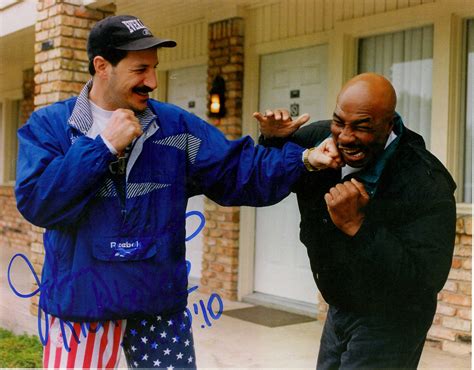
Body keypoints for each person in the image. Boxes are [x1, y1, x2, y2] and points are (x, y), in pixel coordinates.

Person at [15, 15, 339, 369]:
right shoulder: (50, 126)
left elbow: (237, 171)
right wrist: (103, 146)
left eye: (154, 68)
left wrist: (305, 158)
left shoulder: (176, 127)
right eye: (141, 69)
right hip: (81, 304)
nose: (152, 81)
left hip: (158, 303)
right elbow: (38, 202)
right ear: (102, 66)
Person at [255, 73, 456, 369]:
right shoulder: (317, 139)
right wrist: (271, 138)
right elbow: (265, 176)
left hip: (392, 318)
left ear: (389, 125)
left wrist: (358, 227)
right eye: (339, 122)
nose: (345, 136)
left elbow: (424, 281)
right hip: (340, 306)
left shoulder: (425, 180)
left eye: (362, 127)